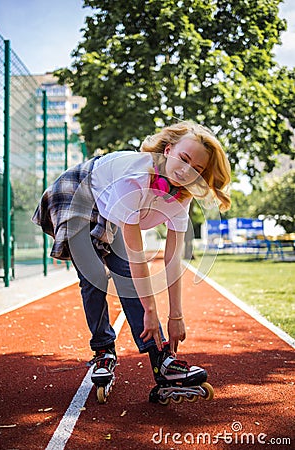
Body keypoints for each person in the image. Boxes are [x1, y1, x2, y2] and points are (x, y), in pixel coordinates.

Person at [32, 121, 231, 401]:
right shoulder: (134, 178)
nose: (187, 171)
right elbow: (136, 257)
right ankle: (103, 349)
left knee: (125, 274)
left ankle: (163, 363)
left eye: (197, 169)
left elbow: (173, 260)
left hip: (108, 205)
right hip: (76, 191)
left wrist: (176, 316)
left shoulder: (182, 195)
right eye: (184, 159)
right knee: (95, 276)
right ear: (168, 149)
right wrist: (150, 309)